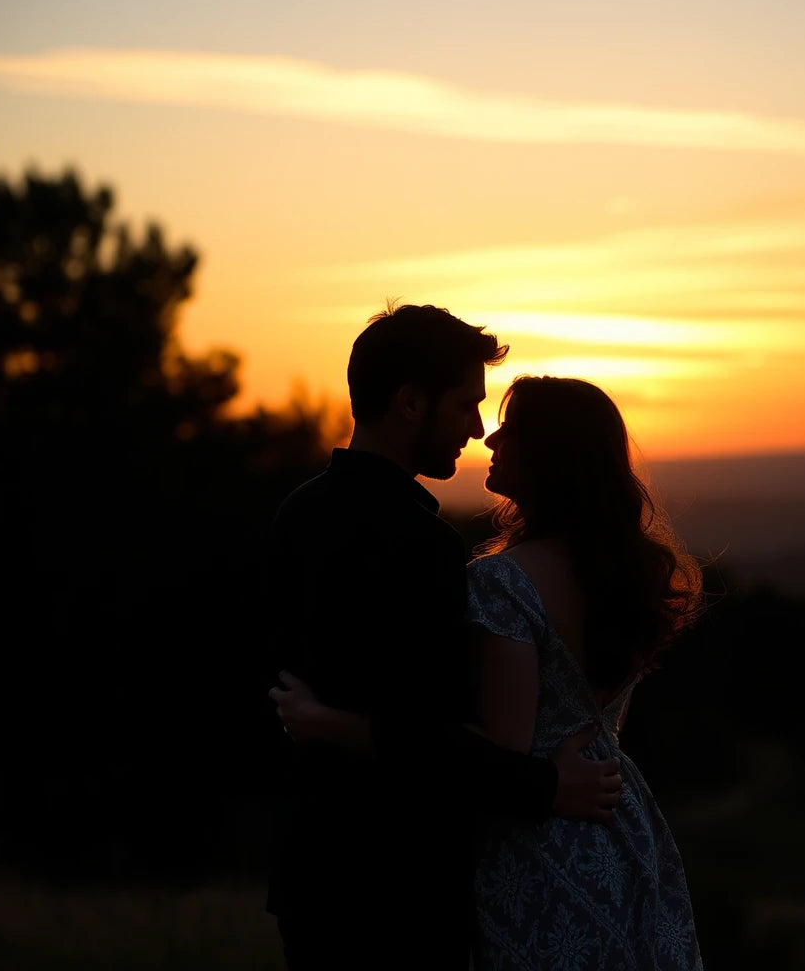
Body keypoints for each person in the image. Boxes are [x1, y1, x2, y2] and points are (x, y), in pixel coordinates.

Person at [276, 374, 706, 970]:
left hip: (541, 844)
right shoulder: (625, 572)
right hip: (624, 827)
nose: (491, 438)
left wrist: (332, 723)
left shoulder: (503, 581)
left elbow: (505, 750)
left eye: (511, 428)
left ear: (549, 454)